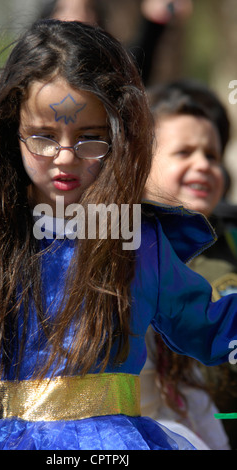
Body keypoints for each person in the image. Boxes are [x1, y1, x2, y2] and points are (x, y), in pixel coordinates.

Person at [0, 20, 237, 451]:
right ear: (12, 130)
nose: (64, 158)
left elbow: (211, 329)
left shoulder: (137, 241)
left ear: (118, 138)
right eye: (43, 137)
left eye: (89, 140)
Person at [143, 80, 237, 449]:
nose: (203, 165)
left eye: (212, 156)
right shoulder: (122, 250)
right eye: (184, 152)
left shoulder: (229, 239)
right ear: (138, 162)